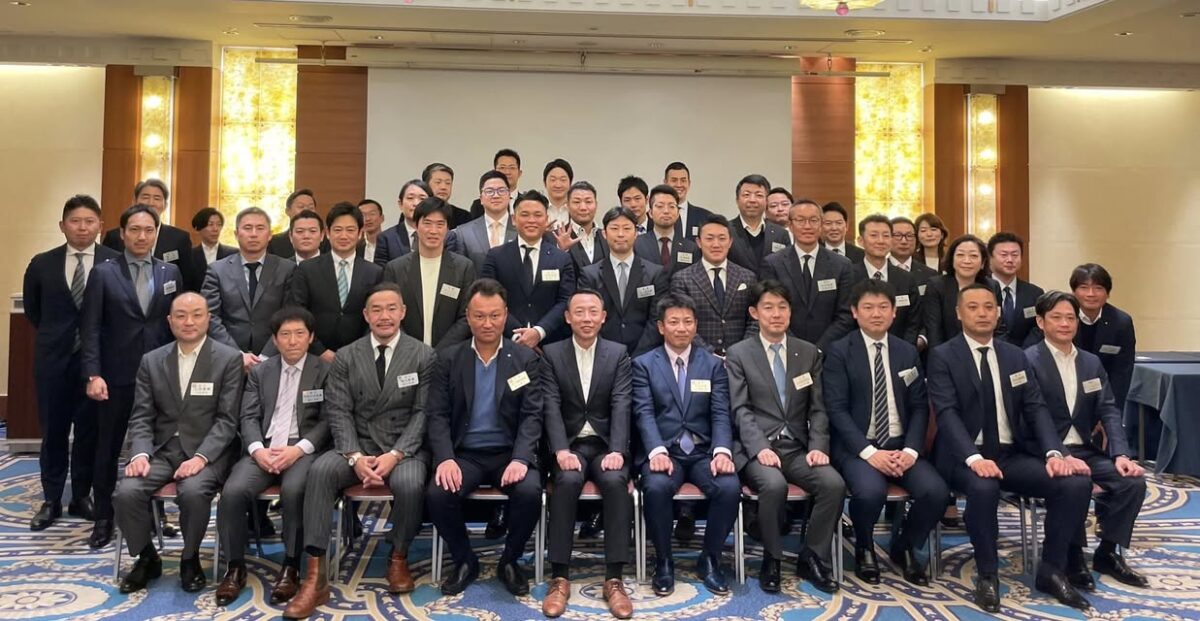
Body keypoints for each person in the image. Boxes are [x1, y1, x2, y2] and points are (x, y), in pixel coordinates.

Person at [927, 283, 1093, 612]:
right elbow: (946, 414)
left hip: (1010, 454)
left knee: (1074, 483)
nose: (982, 313)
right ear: (959, 313)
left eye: (989, 307)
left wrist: (1055, 453)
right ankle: (988, 574)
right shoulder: (943, 355)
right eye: (973, 307)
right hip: (963, 457)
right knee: (984, 487)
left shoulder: (1014, 355)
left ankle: (1052, 569)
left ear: (998, 312)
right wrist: (974, 458)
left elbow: (1035, 408)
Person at [284, 283, 437, 618]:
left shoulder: (423, 355)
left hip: (402, 447)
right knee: (320, 471)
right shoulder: (346, 356)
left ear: (403, 312)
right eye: (376, 310)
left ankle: (398, 556)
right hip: (357, 445)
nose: (385, 316)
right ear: (366, 315)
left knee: (411, 483)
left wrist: (395, 454)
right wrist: (354, 456)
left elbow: (423, 413)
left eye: (391, 308)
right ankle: (315, 575)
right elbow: (338, 411)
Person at [113, 292, 243, 594]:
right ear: (170, 321)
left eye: (197, 314)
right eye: (181, 316)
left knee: (194, 492)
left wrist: (201, 457)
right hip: (162, 450)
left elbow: (227, 420)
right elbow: (141, 416)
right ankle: (147, 557)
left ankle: (190, 558)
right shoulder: (152, 361)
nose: (189, 322)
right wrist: (140, 454)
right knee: (126, 493)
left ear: (208, 318)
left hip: (208, 451)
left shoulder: (228, 359)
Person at [424, 279, 545, 597]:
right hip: (465, 454)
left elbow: (532, 415)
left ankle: (510, 560)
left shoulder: (525, 358)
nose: (487, 323)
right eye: (479, 316)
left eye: (494, 315)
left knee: (530, 491)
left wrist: (521, 458)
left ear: (506, 315)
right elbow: (437, 415)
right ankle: (465, 559)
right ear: (468, 316)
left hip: (509, 452)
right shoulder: (449, 359)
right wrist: (445, 458)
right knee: (438, 494)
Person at [824, 279, 947, 586]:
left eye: (883, 307)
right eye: (868, 307)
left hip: (901, 445)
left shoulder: (907, 352)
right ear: (855, 312)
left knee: (936, 492)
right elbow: (836, 410)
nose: (876, 314)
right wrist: (870, 453)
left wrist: (911, 450)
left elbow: (919, 406)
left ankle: (904, 546)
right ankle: (864, 546)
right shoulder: (839, 351)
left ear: (894, 312)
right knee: (870, 492)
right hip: (858, 448)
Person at [1025, 290, 1149, 591]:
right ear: (1041, 322)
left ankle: (1107, 552)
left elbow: (1108, 410)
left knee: (1132, 482)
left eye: (1070, 318)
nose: (1065, 324)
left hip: (1085, 447)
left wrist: (1121, 455)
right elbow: (1028, 417)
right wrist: (1058, 452)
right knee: (1076, 483)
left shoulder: (1091, 363)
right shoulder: (1027, 360)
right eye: (1056, 317)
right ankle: (1073, 554)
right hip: (1044, 451)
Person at [728, 281, 844, 594]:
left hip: (797, 447)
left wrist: (818, 446)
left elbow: (818, 408)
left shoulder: (807, 352)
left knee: (833, 484)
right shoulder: (739, 354)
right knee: (774, 485)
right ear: (754, 313)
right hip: (757, 448)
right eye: (768, 307)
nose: (776, 314)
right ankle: (772, 558)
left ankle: (812, 556)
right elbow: (740, 409)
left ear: (791, 312)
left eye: (782, 307)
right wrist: (759, 448)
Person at [81, 203, 182, 549]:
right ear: (122, 233)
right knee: (108, 447)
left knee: (158, 448)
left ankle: (156, 516)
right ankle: (103, 518)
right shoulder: (103, 273)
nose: (142, 236)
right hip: (115, 375)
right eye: (135, 230)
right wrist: (93, 374)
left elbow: (176, 326)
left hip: (160, 377)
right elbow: (90, 328)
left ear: (156, 233)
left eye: (149, 230)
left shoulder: (170, 272)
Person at [215, 307, 331, 606]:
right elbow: (248, 416)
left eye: (299, 334)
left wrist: (298, 449)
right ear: (275, 340)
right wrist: (257, 450)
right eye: (285, 335)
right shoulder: (260, 372)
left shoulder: (325, 370)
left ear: (311, 337)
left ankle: (291, 565)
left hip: (302, 449)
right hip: (264, 447)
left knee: (294, 491)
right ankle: (234, 567)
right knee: (233, 492)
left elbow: (328, 421)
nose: (292, 341)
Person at [538, 289, 635, 619]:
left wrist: (618, 449)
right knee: (566, 481)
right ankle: (560, 577)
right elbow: (550, 405)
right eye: (579, 312)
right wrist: (560, 449)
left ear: (603, 317)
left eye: (593, 312)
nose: (586, 318)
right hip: (569, 445)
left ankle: (614, 579)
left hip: (606, 445)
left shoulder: (618, 353)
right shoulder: (552, 354)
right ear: (567, 317)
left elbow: (622, 403)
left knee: (615, 482)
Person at [23, 195, 119, 531]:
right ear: (62, 225)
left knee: (90, 432)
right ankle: (51, 499)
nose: (82, 228)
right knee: (53, 431)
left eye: (89, 222)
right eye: (75, 221)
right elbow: (34, 311)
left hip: (98, 365)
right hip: (54, 362)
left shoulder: (114, 262)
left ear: (100, 226)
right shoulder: (42, 264)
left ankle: (81, 496)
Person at [633, 292, 739, 596]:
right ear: (661, 327)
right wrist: (656, 450)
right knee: (656, 487)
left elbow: (720, 412)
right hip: (665, 451)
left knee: (729, 487)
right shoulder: (644, 364)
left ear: (696, 325)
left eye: (688, 322)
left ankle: (710, 559)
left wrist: (722, 451)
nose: (681, 328)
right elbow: (644, 412)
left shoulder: (713, 365)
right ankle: (664, 561)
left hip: (703, 451)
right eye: (674, 322)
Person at [203, 207, 296, 371]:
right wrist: (236, 354)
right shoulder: (217, 270)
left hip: (275, 358)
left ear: (270, 235)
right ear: (236, 234)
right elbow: (210, 317)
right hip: (227, 359)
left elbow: (289, 314)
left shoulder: (287, 269)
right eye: (247, 228)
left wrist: (266, 356)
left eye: (260, 228)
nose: (253, 234)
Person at [481, 189, 576, 348]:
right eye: (525, 215)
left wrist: (539, 332)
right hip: (506, 343)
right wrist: (518, 335)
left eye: (538, 215)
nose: (531, 220)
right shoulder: (495, 256)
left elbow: (566, 301)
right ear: (514, 219)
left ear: (546, 220)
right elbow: (489, 298)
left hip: (550, 344)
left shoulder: (561, 258)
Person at [289, 202, 384, 362]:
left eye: (350, 230)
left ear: (360, 233)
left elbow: (376, 314)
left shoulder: (374, 272)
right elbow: (298, 312)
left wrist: (359, 351)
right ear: (327, 233)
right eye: (338, 230)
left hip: (359, 357)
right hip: (315, 356)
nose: (344, 236)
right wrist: (320, 351)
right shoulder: (307, 269)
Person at [382, 197, 476, 350]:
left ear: (448, 228)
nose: (433, 231)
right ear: (416, 225)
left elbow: (467, 315)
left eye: (440, 224)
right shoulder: (395, 269)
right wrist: (414, 351)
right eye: (427, 223)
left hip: (450, 354)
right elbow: (390, 313)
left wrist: (439, 352)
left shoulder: (463, 267)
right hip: (407, 353)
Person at [761, 199, 854, 351]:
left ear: (821, 224)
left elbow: (846, 315)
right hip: (786, 349)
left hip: (830, 351)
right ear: (790, 225)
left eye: (813, 220)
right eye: (800, 220)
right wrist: (798, 348)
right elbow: (771, 310)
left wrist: (819, 349)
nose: (807, 226)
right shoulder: (773, 264)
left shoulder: (842, 265)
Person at [580, 207, 667, 356]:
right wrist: (608, 355)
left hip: (645, 355)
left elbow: (656, 319)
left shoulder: (655, 273)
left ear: (636, 233)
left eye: (627, 228)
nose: (621, 234)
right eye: (614, 228)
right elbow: (588, 318)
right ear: (604, 234)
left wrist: (639, 355)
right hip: (602, 356)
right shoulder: (590, 275)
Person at [670, 214, 757, 356]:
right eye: (709, 239)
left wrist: (740, 353)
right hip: (698, 357)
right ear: (699, 242)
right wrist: (709, 354)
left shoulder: (747, 277)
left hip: (741, 357)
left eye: (722, 238)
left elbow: (755, 319)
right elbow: (682, 323)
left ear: (730, 242)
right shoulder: (682, 279)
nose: (716, 244)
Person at [101, 179, 198, 292]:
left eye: (157, 198)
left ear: (165, 205)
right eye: (145, 197)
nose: (151, 203)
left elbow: (188, 279)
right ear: (134, 201)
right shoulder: (114, 236)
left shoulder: (180, 238)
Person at [1070, 263, 1136, 412]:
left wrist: (1110, 411)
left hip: (1105, 396)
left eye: (1098, 288)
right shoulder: (1064, 319)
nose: (1091, 294)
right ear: (1073, 292)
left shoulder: (1121, 322)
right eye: (1084, 288)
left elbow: (1122, 373)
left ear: (1108, 293)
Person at [923, 234, 1006, 349]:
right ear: (952, 259)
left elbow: (998, 325)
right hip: (947, 351)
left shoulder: (992, 286)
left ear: (983, 263)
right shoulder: (937, 285)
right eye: (960, 255)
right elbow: (934, 331)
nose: (967, 261)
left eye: (973, 256)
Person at [852, 214, 922, 345]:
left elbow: (914, 321)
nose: (881, 241)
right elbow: (846, 318)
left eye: (886, 235)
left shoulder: (906, 278)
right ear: (861, 241)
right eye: (874, 235)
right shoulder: (850, 275)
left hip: (900, 349)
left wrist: (902, 348)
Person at [446, 170, 517, 272]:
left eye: (501, 190)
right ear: (481, 199)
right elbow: (460, 272)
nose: (496, 195)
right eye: (489, 191)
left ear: (509, 195)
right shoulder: (464, 233)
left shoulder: (521, 228)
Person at [988, 232, 1044, 347]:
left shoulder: (1035, 293)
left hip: (1025, 353)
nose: (1010, 260)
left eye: (1015, 255)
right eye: (1004, 255)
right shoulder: (980, 290)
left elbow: (1038, 328)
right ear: (990, 257)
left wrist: (1021, 353)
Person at [728, 174, 791, 272]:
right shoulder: (726, 231)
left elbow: (787, 270)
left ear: (766, 201)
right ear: (737, 201)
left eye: (759, 195)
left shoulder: (781, 234)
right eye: (746, 195)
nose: (752, 200)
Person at [634, 184, 700, 279]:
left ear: (678, 213)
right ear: (650, 213)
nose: (666, 211)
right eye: (660, 206)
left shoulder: (691, 248)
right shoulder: (637, 244)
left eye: (671, 206)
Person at [551, 180, 608, 273]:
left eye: (588, 202)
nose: (583, 207)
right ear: (567, 206)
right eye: (577, 202)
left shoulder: (607, 236)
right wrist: (562, 251)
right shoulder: (553, 237)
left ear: (596, 205)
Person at [374, 180, 430, 266]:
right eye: (410, 198)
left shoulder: (443, 236)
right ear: (400, 204)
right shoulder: (386, 238)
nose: (416, 203)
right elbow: (381, 271)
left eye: (422, 199)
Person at [189, 207, 236, 292]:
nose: (215, 229)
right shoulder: (189, 255)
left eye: (219, 224)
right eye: (210, 224)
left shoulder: (233, 254)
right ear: (199, 228)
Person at [887, 216, 938, 293]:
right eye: (897, 235)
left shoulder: (930, 274)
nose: (904, 241)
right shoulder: (879, 272)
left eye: (909, 236)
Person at [663, 161, 712, 239]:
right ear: (665, 183)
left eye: (683, 180)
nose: (679, 185)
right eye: (674, 180)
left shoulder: (705, 217)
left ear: (689, 183)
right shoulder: (653, 217)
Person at [469, 149, 523, 218]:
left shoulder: (528, 202)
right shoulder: (479, 205)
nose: (507, 172)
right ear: (494, 171)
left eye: (512, 168)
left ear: (519, 173)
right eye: (502, 167)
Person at [267, 189, 319, 257]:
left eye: (311, 207)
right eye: (301, 207)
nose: (306, 210)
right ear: (287, 211)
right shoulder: (273, 243)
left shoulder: (326, 243)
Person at [421, 162, 473, 228]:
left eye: (448, 183)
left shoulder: (464, 217)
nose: (443, 187)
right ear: (425, 185)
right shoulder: (415, 213)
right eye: (438, 182)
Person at [543, 158, 574, 229]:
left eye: (563, 180)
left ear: (570, 183)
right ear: (545, 183)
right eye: (553, 180)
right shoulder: (538, 209)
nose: (558, 185)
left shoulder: (576, 210)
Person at [356, 199, 384, 264]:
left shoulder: (391, 245)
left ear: (382, 218)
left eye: (372, 214)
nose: (368, 219)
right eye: (363, 215)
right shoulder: (355, 248)